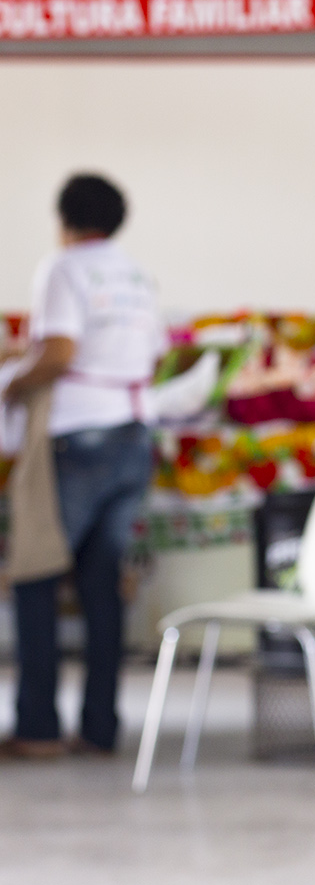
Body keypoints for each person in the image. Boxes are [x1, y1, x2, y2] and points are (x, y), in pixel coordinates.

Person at [2, 173, 161, 757]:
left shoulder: (63, 268)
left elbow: (62, 351)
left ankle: (38, 727)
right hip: (132, 432)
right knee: (101, 585)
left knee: (37, 576)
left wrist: (13, 384)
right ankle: (100, 728)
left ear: (65, 219)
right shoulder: (137, 276)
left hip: (77, 437)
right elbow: (151, 353)